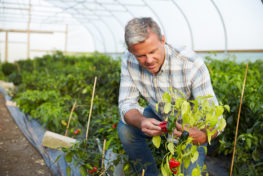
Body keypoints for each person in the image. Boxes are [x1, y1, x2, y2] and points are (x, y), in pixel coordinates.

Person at [118, 17, 221, 176]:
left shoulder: (191, 64)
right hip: (158, 116)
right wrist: (142, 121)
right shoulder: (128, 60)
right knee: (126, 129)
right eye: (141, 56)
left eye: (152, 52)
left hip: (189, 127)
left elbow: (216, 118)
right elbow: (126, 103)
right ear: (132, 51)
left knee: (188, 172)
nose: (149, 60)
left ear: (163, 40)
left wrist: (201, 135)